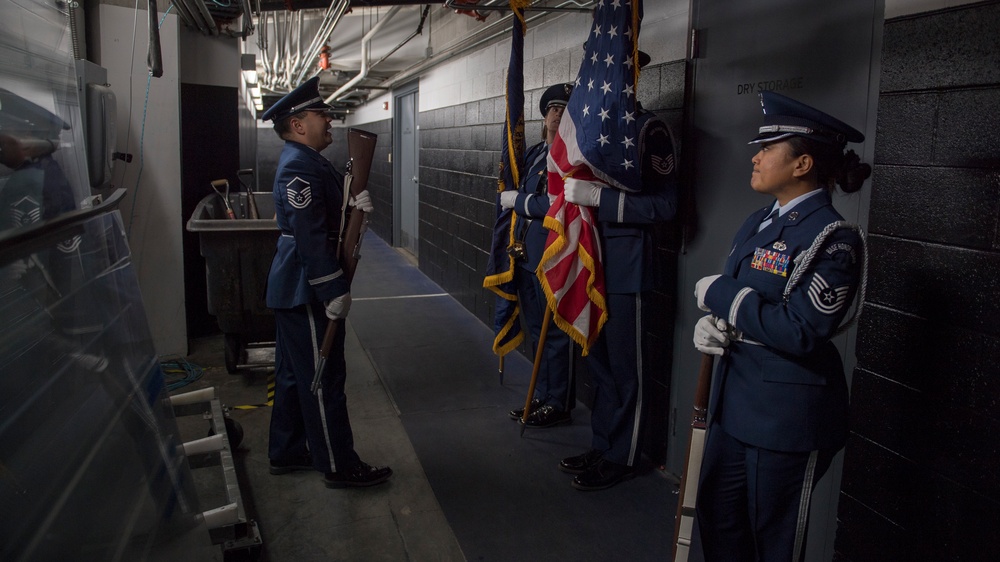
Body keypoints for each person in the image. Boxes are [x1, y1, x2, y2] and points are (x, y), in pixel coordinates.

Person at [691, 90, 870, 561]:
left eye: (768, 149)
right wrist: (715, 323)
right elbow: (744, 302)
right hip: (734, 405)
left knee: (772, 543)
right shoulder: (758, 221)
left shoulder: (835, 240)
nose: (756, 155)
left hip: (786, 417)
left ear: (802, 163)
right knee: (719, 523)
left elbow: (801, 330)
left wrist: (724, 297)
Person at [261, 76, 391, 488]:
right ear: (298, 124)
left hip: (296, 286)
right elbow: (310, 236)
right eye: (321, 114)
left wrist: (352, 205)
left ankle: (286, 449)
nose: (329, 120)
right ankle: (338, 465)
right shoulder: (299, 166)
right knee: (323, 377)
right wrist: (333, 289)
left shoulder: (308, 161)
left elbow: (324, 218)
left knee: (293, 374)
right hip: (306, 286)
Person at [558, 51, 680, 491]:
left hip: (627, 267)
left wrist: (600, 200)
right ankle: (606, 442)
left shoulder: (649, 131)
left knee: (630, 370)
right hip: (588, 262)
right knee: (602, 366)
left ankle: (626, 454)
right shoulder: (587, 135)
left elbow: (666, 206)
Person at [500, 83, 576, 428]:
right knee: (536, 330)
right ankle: (541, 393)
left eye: (565, 110)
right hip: (527, 256)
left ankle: (558, 401)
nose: (558, 114)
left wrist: (519, 201)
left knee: (555, 335)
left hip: (554, 258)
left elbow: (558, 205)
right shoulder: (533, 155)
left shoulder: (573, 158)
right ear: (544, 115)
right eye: (553, 109)